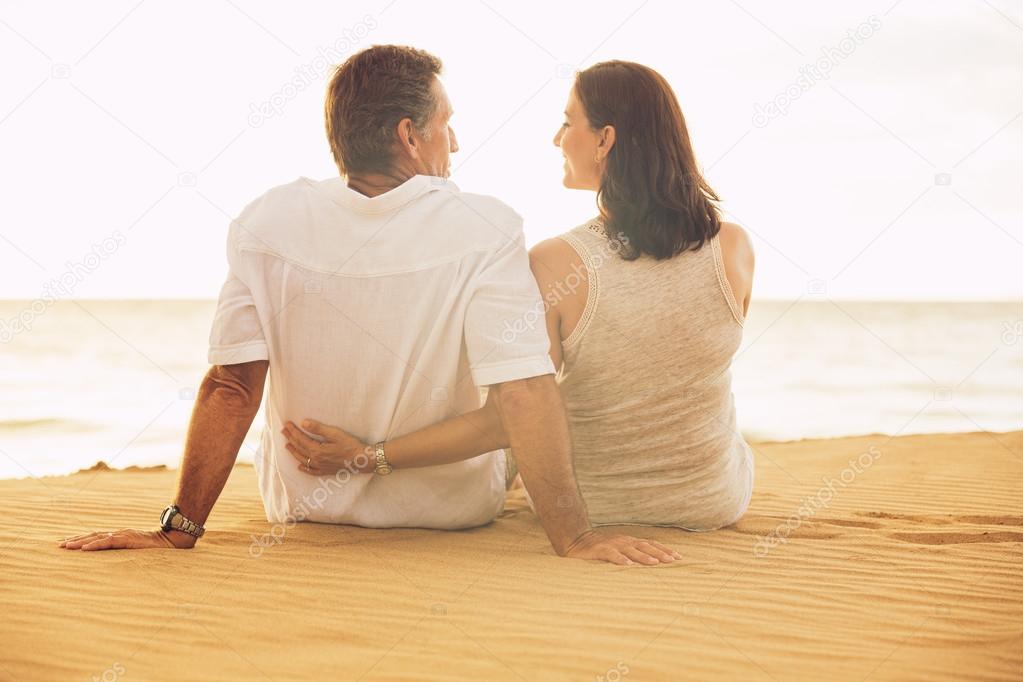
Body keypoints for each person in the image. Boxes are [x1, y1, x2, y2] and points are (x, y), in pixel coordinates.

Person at [57, 46, 678, 567]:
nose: (455, 142)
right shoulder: (485, 225)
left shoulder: (267, 219)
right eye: (445, 124)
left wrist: (178, 529)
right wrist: (576, 538)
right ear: (410, 136)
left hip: (302, 509)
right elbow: (523, 388)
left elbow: (231, 387)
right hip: (452, 513)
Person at [284, 60, 756, 531]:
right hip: (715, 502)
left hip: (601, 507)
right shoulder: (734, 248)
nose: (557, 138)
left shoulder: (556, 263)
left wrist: (371, 457)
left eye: (569, 122)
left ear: (605, 140)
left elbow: (504, 420)